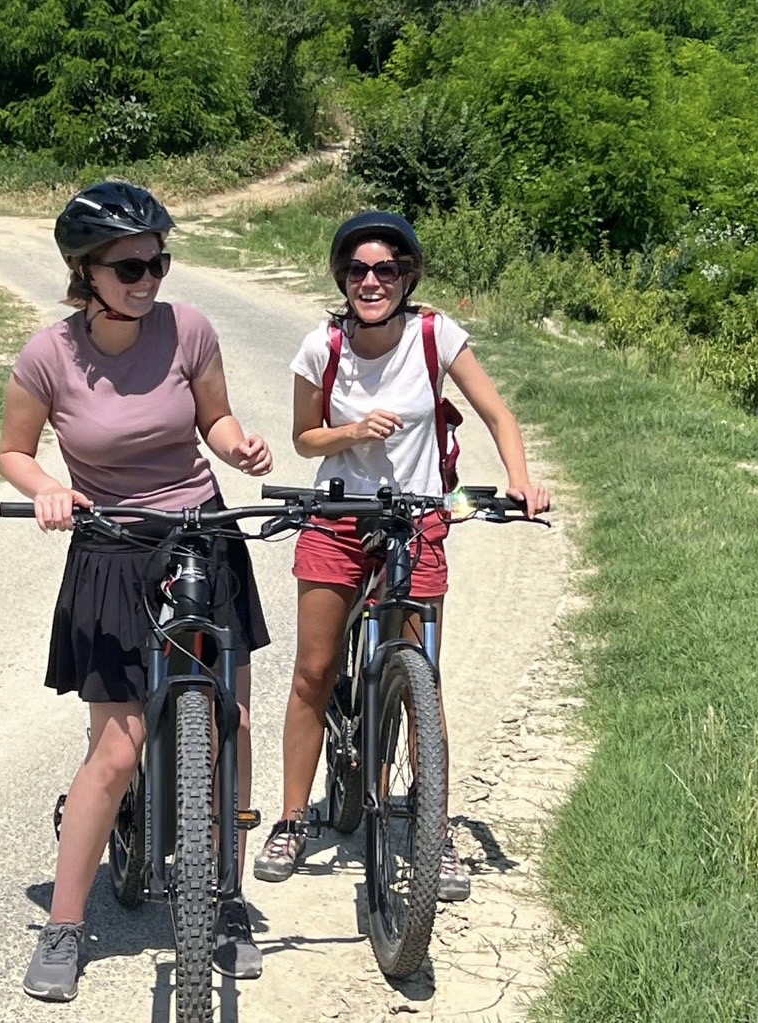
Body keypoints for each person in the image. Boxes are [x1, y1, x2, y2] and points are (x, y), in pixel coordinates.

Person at [0, 180, 273, 1002]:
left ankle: (223, 898)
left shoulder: (189, 329)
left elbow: (214, 421)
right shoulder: (48, 355)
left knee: (231, 723)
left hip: (200, 532)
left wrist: (241, 447)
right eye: (130, 266)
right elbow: (13, 450)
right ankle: (66, 922)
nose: (149, 277)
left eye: (159, 259)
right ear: (86, 272)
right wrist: (47, 484)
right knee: (116, 748)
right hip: (111, 545)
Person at [252, 210, 550, 898]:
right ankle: (295, 816)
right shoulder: (320, 347)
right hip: (336, 517)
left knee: (419, 671)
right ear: (342, 279)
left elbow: (498, 415)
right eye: (358, 270)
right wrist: (351, 430)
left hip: (415, 520)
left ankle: (431, 826)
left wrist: (521, 479)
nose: (371, 281)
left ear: (407, 276)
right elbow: (303, 438)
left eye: (386, 269)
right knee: (315, 669)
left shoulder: (434, 335)